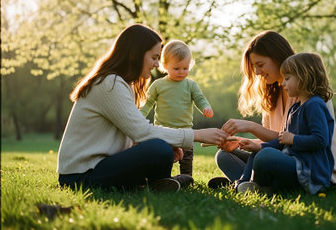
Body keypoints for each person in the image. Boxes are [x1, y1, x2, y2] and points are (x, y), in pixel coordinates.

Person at [56, 24, 227, 192]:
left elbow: (133, 133)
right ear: (134, 54)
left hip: (98, 168)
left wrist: (169, 143)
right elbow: (142, 132)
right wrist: (197, 135)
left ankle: (161, 184)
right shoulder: (110, 84)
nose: (156, 64)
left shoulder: (121, 84)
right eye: (154, 57)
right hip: (81, 176)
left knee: (162, 149)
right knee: (158, 148)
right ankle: (162, 183)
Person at [208, 30, 336, 190]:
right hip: (285, 157)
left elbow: (297, 140)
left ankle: (253, 184)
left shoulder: (309, 96)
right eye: (255, 67)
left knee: (264, 156)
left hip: (312, 168)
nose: (258, 72)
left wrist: (251, 127)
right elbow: (277, 142)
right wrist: (242, 143)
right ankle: (245, 183)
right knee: (225, 156)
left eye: (260, 65)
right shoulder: (273, 96)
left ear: (277, 58)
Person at [235, 52, 335, 194]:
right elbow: (282, 141)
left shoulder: (314, 105)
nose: (283, 83)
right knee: (259, 151)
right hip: (294, 164)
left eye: (287, 79)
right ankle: (242, 184)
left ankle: (256, 186)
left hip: (309, 171)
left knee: (265, 156)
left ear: (304, 77)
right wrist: (258, 146)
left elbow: (321, 140)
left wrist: (293, 139)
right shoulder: (296, 107)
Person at [140, 39, 213, 176]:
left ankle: (186, 178)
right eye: (176, 68)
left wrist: (205, 107)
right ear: (165, 65)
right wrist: (139, 116)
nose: (181, 72)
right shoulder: (158, 85)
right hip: (163, 133)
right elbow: (148, 103)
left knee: (186, 159)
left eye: (185, 68)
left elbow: (199, 99)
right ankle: (162, 178)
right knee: (163, 158)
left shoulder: (191, 85)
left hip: (185, 132)